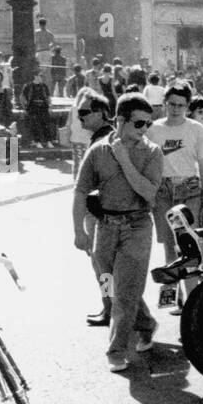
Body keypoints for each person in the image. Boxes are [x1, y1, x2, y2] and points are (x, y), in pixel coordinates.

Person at [72, 93, 163, 373]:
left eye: (148, 124)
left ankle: (116, 351)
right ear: (120, 120)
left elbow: (149, 192)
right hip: (106, 227)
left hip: (137, 226)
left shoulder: (152, 152)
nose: (144, 130)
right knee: (112, 285)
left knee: (123, 294)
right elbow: (80, 191)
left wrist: (124, 159)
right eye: (138, 124)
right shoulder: (98, 151)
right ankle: (146, 323)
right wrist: (79, 231)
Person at [148, 82, 203, 310]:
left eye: (181, 105)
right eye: (172, 104)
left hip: (189, 190)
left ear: (187, 106)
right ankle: (173, 299)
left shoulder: (196, 129)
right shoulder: (153, 129)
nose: (175, 109)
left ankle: (193, 301)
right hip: (163, 192)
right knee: (168, 246)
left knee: (188, 247)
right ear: (165, 103)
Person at [71, 90, 117, 326]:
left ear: (101, 113)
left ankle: (112, 309)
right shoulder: (103, 137)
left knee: (103, 267)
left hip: (101, 215)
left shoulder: (105, 141)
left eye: (84, 113)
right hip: (100, 213)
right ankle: (111, 307)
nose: (80, 118)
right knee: (103, 267)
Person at [21, 71, 55, 147]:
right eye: (40, 76)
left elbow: (48, 97)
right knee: (35, 125)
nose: (42, 77)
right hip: (33, 108)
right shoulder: (28, 86)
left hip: (44, 107)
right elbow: (22, 97)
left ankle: (49, 141)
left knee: (46, 124)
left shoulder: (44, 86)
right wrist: (24, 108)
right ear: (35, 76)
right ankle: (37, 142)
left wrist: (50, 106)